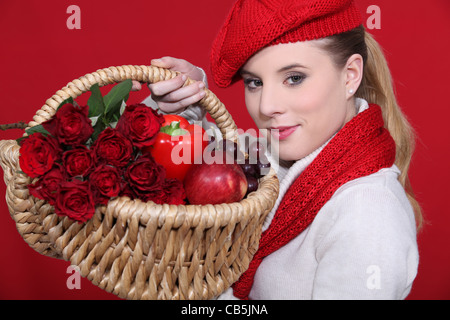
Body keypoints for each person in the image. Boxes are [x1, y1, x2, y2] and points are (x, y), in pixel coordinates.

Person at [136, 0, 421, 300]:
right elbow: (195, 165)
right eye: (254, 82)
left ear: (350, 75)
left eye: (294, 78)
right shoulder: (275, 161)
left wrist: (193, 293)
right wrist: (184, 108)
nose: (267, 105)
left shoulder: (368, 211)